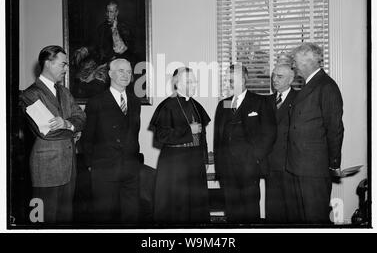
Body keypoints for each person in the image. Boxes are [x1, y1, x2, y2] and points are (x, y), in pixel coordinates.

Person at [19, 45, 86, 224]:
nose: (66, 69)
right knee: (43, 220)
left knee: (65, 219)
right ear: (48, 63)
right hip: (46, 168)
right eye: (63, 64)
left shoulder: (64, 91)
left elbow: (81, 116)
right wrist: (72, 130)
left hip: (68, 165)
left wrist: (68, 124)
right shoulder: (30, 94)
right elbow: (47, 132)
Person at [287, 42, 344, 224]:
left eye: (295, 61)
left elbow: (334, 128)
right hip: (300, 165)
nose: (293, 66)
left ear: (307, 61)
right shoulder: (310, 84)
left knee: (315, 219)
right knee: (304, 219)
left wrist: (334, 164)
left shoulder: (326, 86)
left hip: (314, 168)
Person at [213, 64, 276, 223]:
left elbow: (269, 134)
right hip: (227, 168)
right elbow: (217, 137)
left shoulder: (260, 101)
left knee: (250, 209)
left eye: (232, 79)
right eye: (228, 79)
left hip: (249, 166)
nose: (229, 83)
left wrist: (255, 158)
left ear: (243, 79)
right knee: (231, 209)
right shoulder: (223, 104)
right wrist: (219, 165)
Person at [81, 58, 141, 223]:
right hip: (104, 170)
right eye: (121, 71)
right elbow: (87, 139)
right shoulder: (96, 102)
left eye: (129, 71)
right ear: (110, 74)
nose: (126, 75)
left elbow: (133, 134)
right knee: (105, 219)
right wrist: (91, 165)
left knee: (132, 217)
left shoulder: (135, 102)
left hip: (130, 170)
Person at [149, 67, 211, 224]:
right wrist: (188, 130)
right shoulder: (167, 105)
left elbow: (203, 135)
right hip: (175, 164)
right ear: (177, 83)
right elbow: (160, 136)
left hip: (195, 162)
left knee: (196, 207)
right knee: (177, 209)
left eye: (195, 81)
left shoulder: (196, 105)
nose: (194, 84)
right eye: (189, 81)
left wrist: (205, 159)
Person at [265, 64, 298, 223]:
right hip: (271, 165)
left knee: (292, 211)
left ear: (291, 80)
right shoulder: (266, 101)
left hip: (291, 164)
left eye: (280, 77)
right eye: (273, 76)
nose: (274, 80)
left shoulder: (300, 98)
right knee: (273, 211)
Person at [95, 0, 136, 66]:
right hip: (106, 61)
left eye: (111, 12)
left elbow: (130, 48)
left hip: (122, 60)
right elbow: (99, 47)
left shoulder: (124, 27)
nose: (108, 15)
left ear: (116, 13)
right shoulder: (101, 28)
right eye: (107, 12)